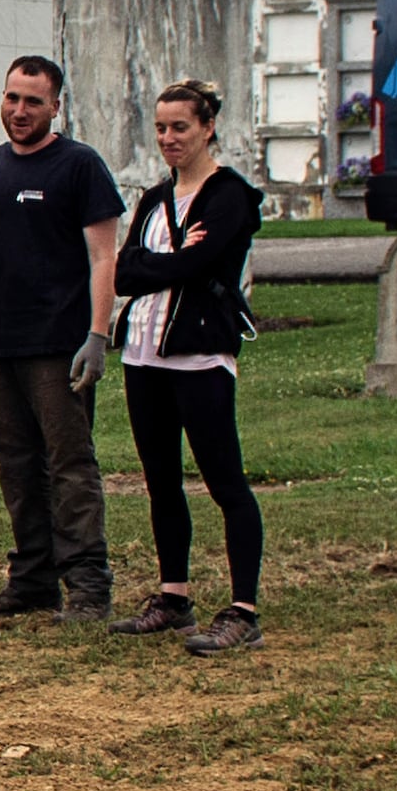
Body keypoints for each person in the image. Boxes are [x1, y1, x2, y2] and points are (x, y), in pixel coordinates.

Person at [0, 53, 124, 627]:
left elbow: (104, 257)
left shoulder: (79, 166)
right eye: (11, 98)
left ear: (55, 106)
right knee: (16, 464)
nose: (19, 111)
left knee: (69, 465)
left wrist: (98, 334)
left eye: (32, 102)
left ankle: (89, 588)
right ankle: (32, 581)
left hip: (59, 343)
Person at [111, 77, 266, 652]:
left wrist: (172, 261)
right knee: (160, 481)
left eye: (180, 127)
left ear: (207, 129)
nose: (169, 138)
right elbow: (125, 273)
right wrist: (172, 260)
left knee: (225, 480)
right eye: (160, 128)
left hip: (200, 354)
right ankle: (173, 596)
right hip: (143, 353)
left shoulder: (231, 195)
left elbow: (206, 263)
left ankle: (243, 610)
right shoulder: (154, 199)